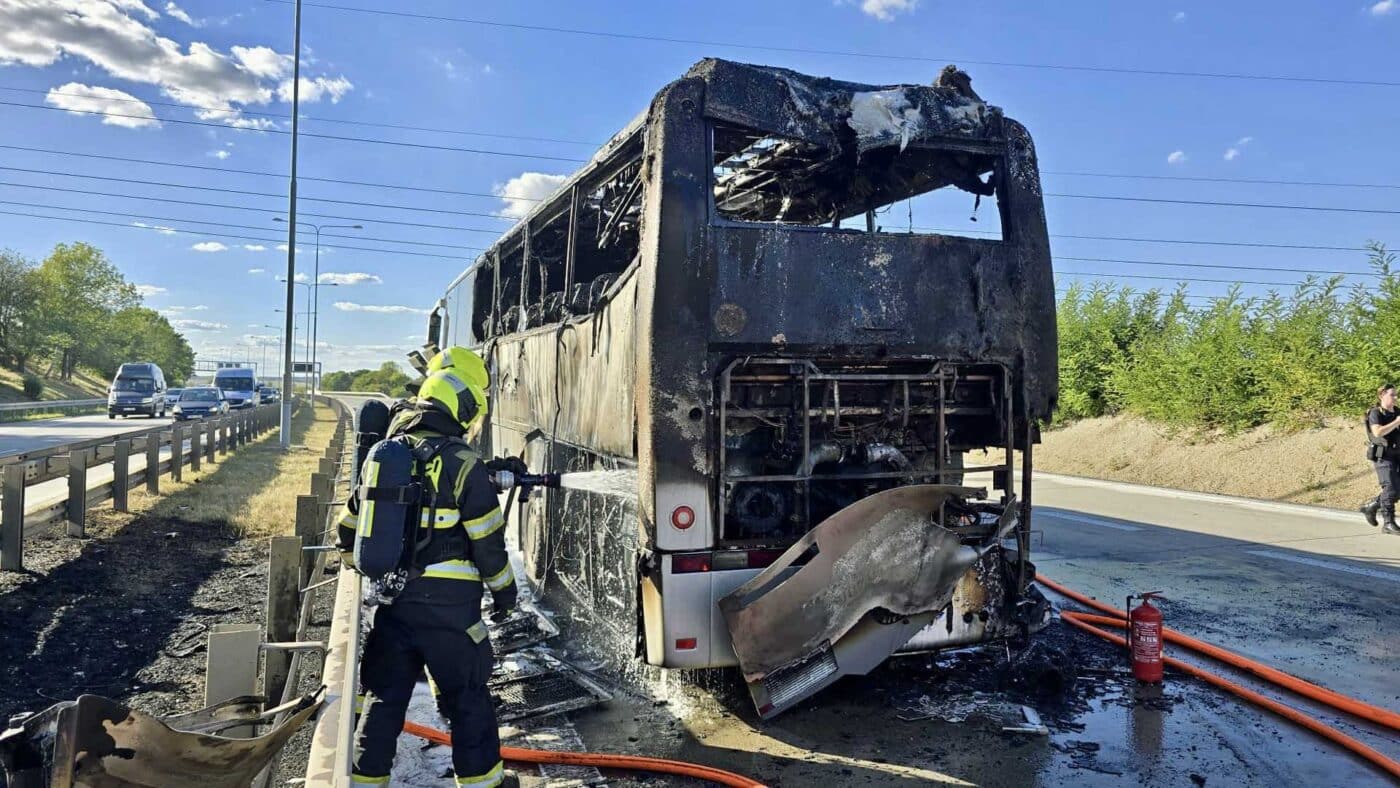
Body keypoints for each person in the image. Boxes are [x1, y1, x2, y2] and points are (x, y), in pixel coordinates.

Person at [337, 364, 519, 787]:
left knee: (383, 700)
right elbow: (488, 544)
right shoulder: (464, 463)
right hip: (452, 615)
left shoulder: (386, 456)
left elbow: (348, 532)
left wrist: (375, 574)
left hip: (395, 606)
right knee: (468, 702)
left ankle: (364, 783)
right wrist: (505, 595)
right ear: (461, 409)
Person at [1361, 383, 1400, 535]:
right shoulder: (1375, 413)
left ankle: (1372, 506)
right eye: (1392, 394)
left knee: (1398, 489)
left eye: (1396, 395)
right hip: (1382, 453)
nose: (1395, 397)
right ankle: (1388, 523)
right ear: (1382, 395)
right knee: (1390, 487)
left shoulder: (1397, 411)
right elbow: (1377, 432)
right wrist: (1397, 422)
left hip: (1397, 453)